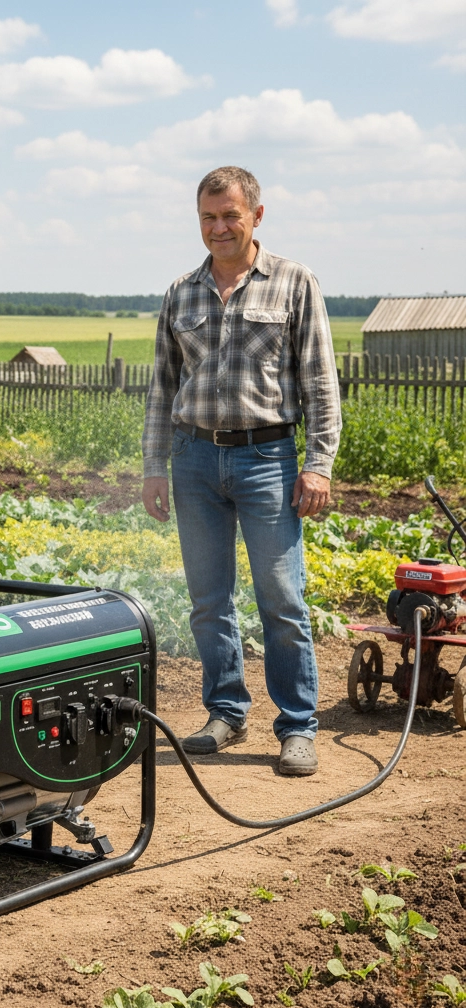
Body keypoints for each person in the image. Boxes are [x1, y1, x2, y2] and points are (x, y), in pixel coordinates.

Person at [141, 166, 341, 777]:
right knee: (208, 600)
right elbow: (162, 388)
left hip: (268, 459)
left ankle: (297, 726)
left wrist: (319, 464)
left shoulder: (294, 282)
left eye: (230, 215)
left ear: (257, 215)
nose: (219, 227)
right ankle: (225, 712)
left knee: (281, 597)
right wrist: (154, 466)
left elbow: (320, 383)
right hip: (195, 459)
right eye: (208, 217)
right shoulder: (181, 292)